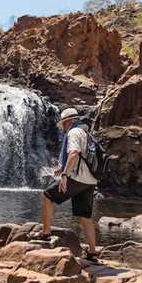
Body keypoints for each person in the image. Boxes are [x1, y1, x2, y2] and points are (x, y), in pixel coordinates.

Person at [39, 108, 99, 262]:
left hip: (77, 177)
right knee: (85, 216)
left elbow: (74, 153)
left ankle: (45, 234)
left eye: (64, 124)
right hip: (90, 180)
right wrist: (63, 168)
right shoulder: (86, 133)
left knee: (47, 196)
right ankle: (92, 252)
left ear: (68, 121)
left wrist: (65, 174)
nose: (63, 127)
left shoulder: (73, 132)